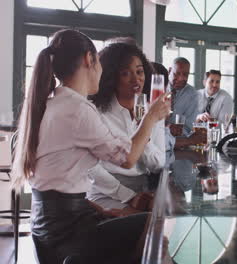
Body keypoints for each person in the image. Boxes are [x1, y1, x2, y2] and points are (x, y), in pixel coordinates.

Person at [11, 29, 171, 263]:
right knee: (156, 223)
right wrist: (151, 117)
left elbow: (57, 181)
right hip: (67, 232)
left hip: (51, 222)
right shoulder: (78, 109)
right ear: (89, 59)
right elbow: (128, 157)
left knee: (142, 226)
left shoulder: (54, 102)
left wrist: (99, 210)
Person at [87, 42, 166, 213]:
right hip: (106, 192)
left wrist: (144, 131)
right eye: (125, 73)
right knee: (142, 224)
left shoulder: (154, 112)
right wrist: (129, 196)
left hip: (143, 190)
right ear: (111, 77)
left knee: (166, 223)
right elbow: (91, 168)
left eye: (139, 71)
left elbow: (158, 164)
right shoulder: (97, 112)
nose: (136, 79)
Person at [168, 57, 199, 135]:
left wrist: (175, 132)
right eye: (177, 73)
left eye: (185, 74)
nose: (181, 78)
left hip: (179, 141)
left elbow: (188, 127)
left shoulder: (192, 94)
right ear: (169, 71)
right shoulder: (158, 89)